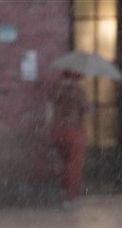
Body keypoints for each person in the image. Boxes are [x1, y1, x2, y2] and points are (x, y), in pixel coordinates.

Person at [51, 71, 89, 208]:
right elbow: (86, 109)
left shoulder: (57, 90)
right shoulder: (78, 92)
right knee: (74, 166)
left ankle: (64, 192)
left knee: (64, 164)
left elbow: (53, 105)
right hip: (74, 132)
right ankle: (70, 196)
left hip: (58, 131)